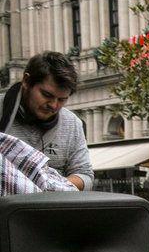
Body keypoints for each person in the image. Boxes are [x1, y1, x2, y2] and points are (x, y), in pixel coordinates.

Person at [0, 52, 92, 191]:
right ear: (26, 81)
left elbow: (85, 175)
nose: (54, 105)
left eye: (62, 100)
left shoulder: (72, 124)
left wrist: (50, 188)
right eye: (46, 95)